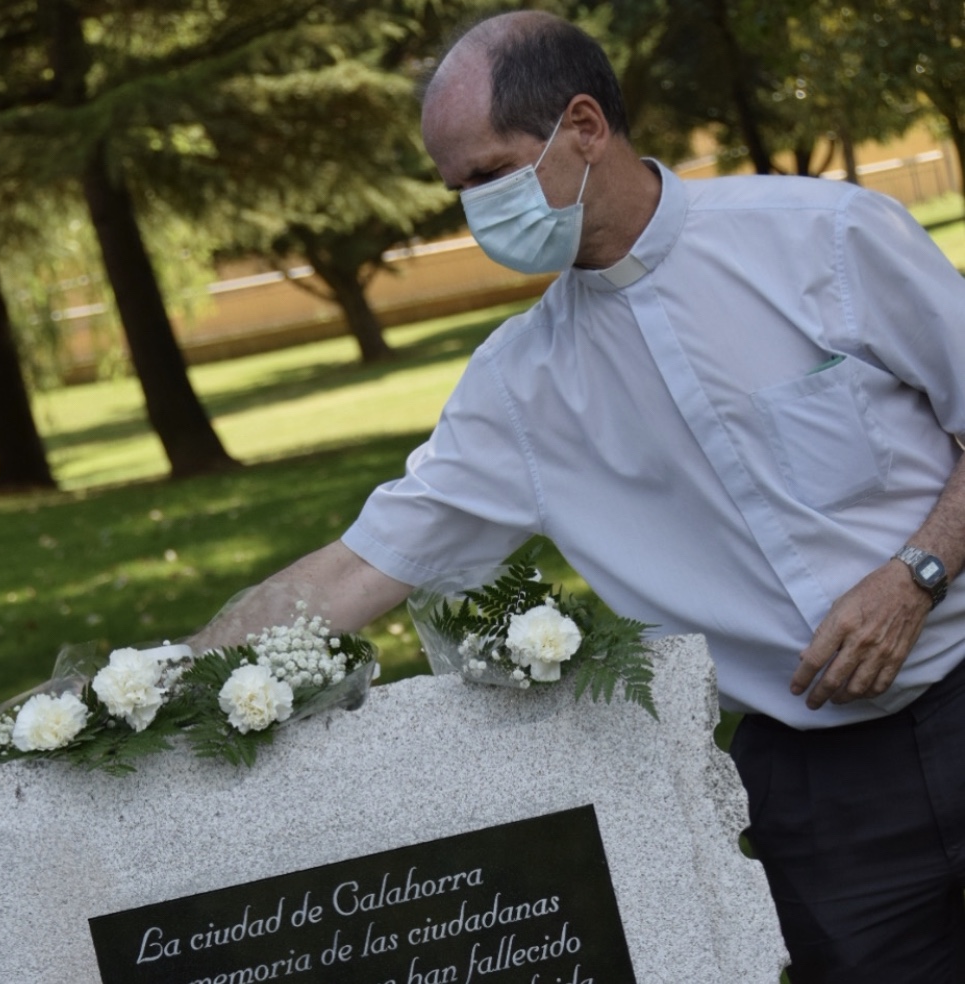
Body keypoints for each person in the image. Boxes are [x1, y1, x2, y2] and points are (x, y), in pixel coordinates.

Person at [191, 11, 965, 982]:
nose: (474, 212)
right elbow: (359, 568)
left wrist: (915, 574)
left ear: (586, 127)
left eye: (489, 173)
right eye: (457, 190)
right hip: (819, 796)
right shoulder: (518, 387)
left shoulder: (825, 236)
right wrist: (161, 685)